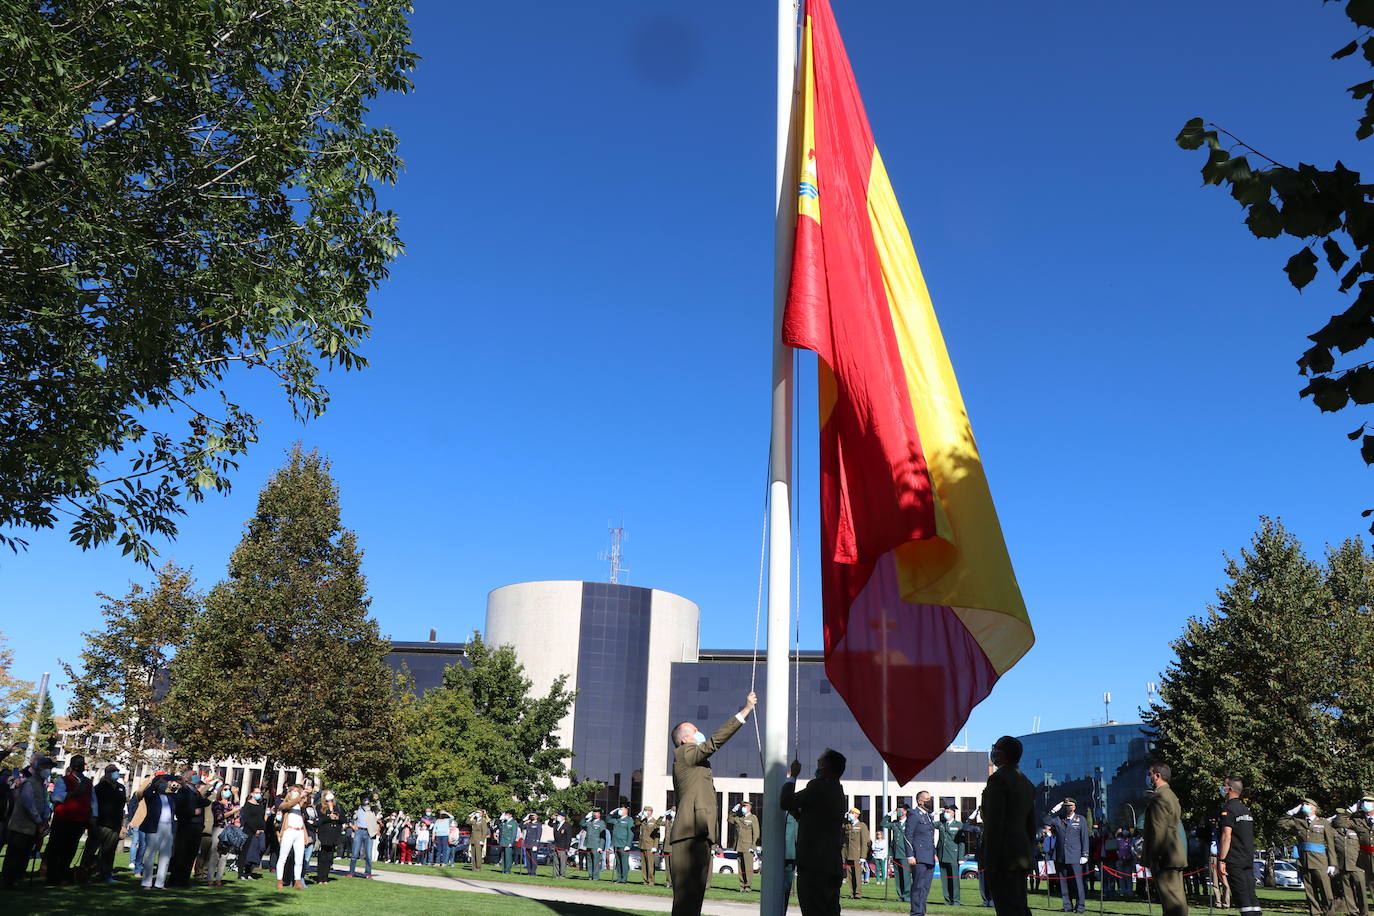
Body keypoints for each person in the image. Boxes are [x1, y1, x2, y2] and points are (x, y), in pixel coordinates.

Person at [668, 690, 756, 916]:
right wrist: (745, 711)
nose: (700, 734)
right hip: (691, 834)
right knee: (688, 900)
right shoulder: (685, 753)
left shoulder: (692, 760)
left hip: (696, 834)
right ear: (686, 739)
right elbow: (714, 743)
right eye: (696, 732)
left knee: (692, 899)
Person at [781, 750, 846, 916]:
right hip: (832, 864)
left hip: (814, 865)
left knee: (812, 909)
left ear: (825, 767)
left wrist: (792, 776)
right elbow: (815, 817)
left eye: (819, 763)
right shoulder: (838, 791)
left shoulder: (818, 787)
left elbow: (786, 801)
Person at [981, 736, 1036, 916]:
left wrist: (991, 861)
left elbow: (994, 823)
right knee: (1019, 906)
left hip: (1003, 857)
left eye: (995, 748)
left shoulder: (999, 779)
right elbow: (1031, 825)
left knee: (1006, 908)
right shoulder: (1026, 782)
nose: (993, 752)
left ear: (1002, 754)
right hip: (1020, 855)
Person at [1, 755, 54, 889]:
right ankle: (8, 881)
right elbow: (29, 805)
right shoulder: (29, 783)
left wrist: (46, 817)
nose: (48, 771)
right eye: (46, 768)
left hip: (31, 828)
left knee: (24, 855)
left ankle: (17, 879)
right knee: (15, 856)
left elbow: (43, 803)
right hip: (21, 826)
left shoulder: (41, 785)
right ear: (39, 768)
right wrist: (39, 822)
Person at [1280, 797, 1338, 916]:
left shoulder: (1323, 823)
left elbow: (1331, 844)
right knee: (1310, 891)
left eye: (1307, 804)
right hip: (1304, 861)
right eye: (1303, 804)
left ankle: (1329, 913)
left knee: (1326, 891)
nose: (1304, 806)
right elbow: (1281, 823)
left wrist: (1332, 863)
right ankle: (1315, 913)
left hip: (1320, 861)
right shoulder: (1298, 821)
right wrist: (1291, 812)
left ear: (1314, 808)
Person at [1144, 763, 1188, 916]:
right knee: (1177, 900)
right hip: (1173, 853)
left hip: (1165, 857)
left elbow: (1158, 830)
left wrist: (1153, 858)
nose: (1148, 777)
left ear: (1157, 776)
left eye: (1150, 774)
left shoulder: (1160, 797)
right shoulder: (1170, 795)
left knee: (1172, 905)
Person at [46, 754, 95, 885]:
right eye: (78, 763)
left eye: (82, 763)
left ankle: (63, 875)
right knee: (57, 848)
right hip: (63, 819)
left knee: (70, 849)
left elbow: (92, 801)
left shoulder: (88, 782)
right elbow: (56, 797)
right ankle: (52, 876)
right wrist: (73, 794)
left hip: (79, 821)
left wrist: (93, 816)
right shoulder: (64, 780)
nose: (80, 766)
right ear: (72, 765)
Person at [1218, 777, 1262, 916]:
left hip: (1235, 858)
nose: (1222, 788)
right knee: (1251, 894)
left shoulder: (1229, 809)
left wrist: (1222, 860)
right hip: (1248, 857)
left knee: (1241, 895)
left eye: (1224, 785)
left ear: (1229, 789)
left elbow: (1226, 835)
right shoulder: (1245, 810)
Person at [80, 764, 126, 884]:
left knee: (109, 853)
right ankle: (84, 874)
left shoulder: (121, 787)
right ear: (107, 773)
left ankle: (106, 875)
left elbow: (121, 807)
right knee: (90, 851)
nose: (116, 774)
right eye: (113, 772)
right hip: (100, 824)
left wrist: (122, 824)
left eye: (117, 771)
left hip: (114, 825)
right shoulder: (99, 787)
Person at [166, 766, 212, 887]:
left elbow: (203, 802)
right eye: (195, 774)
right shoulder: (184, 791)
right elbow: (179, 809)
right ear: (187, 778)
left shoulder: (195, 791)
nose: (198, 776)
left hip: (196, 828)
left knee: (190, 855)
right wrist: (192, 812)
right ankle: (176, 880)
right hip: (187, 827)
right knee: (181, 855)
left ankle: (184, 880)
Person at [133, 772, 180, 889]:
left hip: (168, 828)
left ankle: (160, 883)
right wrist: (156, 783)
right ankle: (147, 882)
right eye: (163, 783)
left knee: (165, 856)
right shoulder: (152, 796)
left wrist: (175, 782)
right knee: (150, 855)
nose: (165, 785)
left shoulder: (171, 797)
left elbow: (180, 793)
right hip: (155, 827)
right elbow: (146, 792)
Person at [1045, 797, 1090, 913]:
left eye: (1070, 806)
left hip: (1075, 856)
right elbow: (1046, 820)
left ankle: (1080, 906)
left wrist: (1085, 854)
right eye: (1066, 806)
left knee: (1078, 883)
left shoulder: (1081, 820)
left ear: (1074, 807)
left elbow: (1085, 838)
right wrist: (1054, 810)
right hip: (1061, 856)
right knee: (1063, 883)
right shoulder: (1059, 819)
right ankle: (1067, 906)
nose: (1068, 808)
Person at [1330, 802, 1367, 916]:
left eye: (1341, 815)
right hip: (1343, 865)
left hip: (1357, 864)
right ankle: (1353, 912)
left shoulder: (1355, 827)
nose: (1339, 817)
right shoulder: (1333, 831)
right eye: (1337, 815)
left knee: (1361, 890)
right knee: (1348, 891)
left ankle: (1364, 912)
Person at [907, 791, 938, 916]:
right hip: (918, 856)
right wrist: (910, 855)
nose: (930, 801)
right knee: (918, 886)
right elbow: (908, 836)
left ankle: (921, 911)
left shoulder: (928, 816)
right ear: (920, 801)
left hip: (929, 856)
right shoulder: (914, 815)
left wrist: (934, 853)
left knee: (925, 887)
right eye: (927, 799)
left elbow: (929, 838)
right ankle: (916, 912)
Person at [205, 783, 240, 886]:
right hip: (219, 829)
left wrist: (236, 794)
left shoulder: (230, 804)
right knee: (215, 854)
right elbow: (219, 817)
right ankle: (210, 878)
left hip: (228, 830)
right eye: (225, 789)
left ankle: (219, 878)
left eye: (229, 789)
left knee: (224, 856)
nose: (227, 791)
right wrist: (233, 811)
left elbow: (238, 808)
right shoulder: (216, 804)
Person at [276, 786, 309, 889]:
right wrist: (300, 797)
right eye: (293, 791)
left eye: (297, 791)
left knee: (299, 859)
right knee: (283, 857)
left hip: (299, 832)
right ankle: (280, 881)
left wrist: (305, 835)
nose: (296, 793)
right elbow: (289, 804)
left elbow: (302, 819)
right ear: (289, 793)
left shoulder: (299, 806)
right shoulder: (284, 804)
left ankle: (297, 881)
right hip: (289, 831)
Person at [882, 803, 913, 902]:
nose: (899, 812)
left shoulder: (909, 823)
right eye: (897, 810)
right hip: (895, 853)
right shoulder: (895, 823)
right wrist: (888, 815)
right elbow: (883, 823)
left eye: (900, 810)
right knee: (898, 876)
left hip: (905, 854)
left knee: (906, 876)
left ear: (905, 811)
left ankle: (907, 896)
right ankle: (900, 895)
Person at [937, 805, 966, 905]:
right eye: (945, 811)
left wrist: (961, 857)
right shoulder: (941, 823)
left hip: (953, 855)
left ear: (953, 813)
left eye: (948, 811)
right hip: (942, 854)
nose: (946, 813)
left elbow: (961, 842)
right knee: (944, 879)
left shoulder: (959, 825)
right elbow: (928, 824)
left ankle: (956, 900)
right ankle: (947, 900)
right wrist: (933, 814)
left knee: (954, 879)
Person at [730, 801, 761, 892]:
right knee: (741, 868)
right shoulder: (739, 817)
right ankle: (742, 885)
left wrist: (753, 845)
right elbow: (729, 819)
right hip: (739, 846)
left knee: (748, 868)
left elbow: (756, 833)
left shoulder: (753, 818)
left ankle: (748, 886)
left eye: (745, 806)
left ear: (749, 807)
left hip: (748, 846)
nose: (743, 807)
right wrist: (733, 811)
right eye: (742, 806)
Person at [239, 785, 268, 879]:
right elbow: (247, 819)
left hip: (260, 831)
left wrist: (262, 828)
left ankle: (249, 872)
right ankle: (241, 873)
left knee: (259, 850)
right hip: (249, 831)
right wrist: (254, 830)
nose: (259, 795)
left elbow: (261, 818)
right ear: (251, 794)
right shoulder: (248, 805)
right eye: (257, 792)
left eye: (260, 793)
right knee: (246, 852)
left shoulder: (260, 806)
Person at [315, 794, 345, 883]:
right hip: (324, 834)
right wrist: (329, 817)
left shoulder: (338, 807)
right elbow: (319, 820)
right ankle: (320, 878)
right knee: (323, 857)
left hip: (334, 834)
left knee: (329, 857)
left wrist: (337, 817)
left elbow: (344, 819)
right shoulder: (320, 807)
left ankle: (326, 878)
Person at [844, 807, 871, 899]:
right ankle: (852, 893)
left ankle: (858, 893)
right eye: (849, 813)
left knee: (858, 876)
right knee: (850, 875)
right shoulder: (847, 825)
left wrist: (863, 856)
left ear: (856, 815)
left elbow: (864, 842)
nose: (850, 815)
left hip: (857, 854)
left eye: (851, 813)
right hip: (847, 854)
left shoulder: (862, 826)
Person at [349, 797, 378, 878]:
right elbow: (350, 818)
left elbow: (378, 807)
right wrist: (352, 826)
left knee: (368, 854)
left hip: (369, 832)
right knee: (354, 853)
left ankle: (368, 872)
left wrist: (376, 799)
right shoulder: (357, 809)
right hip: (359, 831)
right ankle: (351, 871)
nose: (366, 803)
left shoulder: (373, 809)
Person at [636, 807, 663, 885]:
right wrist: (638, 816)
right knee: (644, 865)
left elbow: (657, 835)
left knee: (650, 865)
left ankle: (651, 881)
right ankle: (645, 880)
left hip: (650, 846)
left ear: (650, 812)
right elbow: (636, 823)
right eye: (644, 811)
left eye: (645, 811)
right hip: (642, 845)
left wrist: (655, 846)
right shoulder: (643, 821)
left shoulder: (654, 822)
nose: (644, 812)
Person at [582, 809, 607, 881]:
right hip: (589, 844)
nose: (594, 814)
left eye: (596, 812)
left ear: (599, 814)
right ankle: (590, 876)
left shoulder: (601, 823)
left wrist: (601, 847)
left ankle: (595, 877)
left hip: (596, 845)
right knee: (589, 862)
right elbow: (582, 824)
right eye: (594, 812)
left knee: (595, 862)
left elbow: (603, 836)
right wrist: (586, 817)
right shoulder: (590, 821)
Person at [551, 812, 573, 878]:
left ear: (563, 817)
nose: (558, 817)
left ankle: (562, 875)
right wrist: (551, 818)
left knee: (562, 862)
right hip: (556, 846)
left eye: (559, 816)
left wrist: (567, 847)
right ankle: (556, 874)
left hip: (563, 847)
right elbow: (550, 824)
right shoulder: (556, 824)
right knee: (556, 862)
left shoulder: (567, 825)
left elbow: (569, 837)